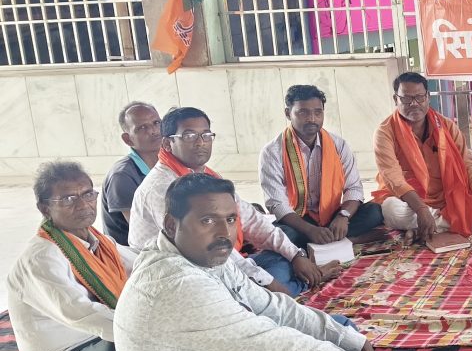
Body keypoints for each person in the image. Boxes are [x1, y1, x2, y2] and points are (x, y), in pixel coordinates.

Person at [115, 174, 427, 351]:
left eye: (230, 219)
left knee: (344, 332)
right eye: (207, 220)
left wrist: (352, 343)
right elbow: (273, 344)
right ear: (171, 225)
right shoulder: (174, 285)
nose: (224, 233)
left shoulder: (204, 255)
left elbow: (273, 307)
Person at [128, 107, 329, 297]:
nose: (200, 143)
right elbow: (210, 249)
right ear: (167, 144)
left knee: (283, 253)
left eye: (206, 135)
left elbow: (251, 219)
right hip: (182, 274)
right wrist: (270, 283)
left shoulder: (205, 176)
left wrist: (296, 256)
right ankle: (290, 288)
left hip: (220, 259)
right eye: (189, 136)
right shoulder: (161, 188)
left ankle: (278, 288)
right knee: (264, 280)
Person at [7, 161, 132, 351]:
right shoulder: (41, 258)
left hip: (99, 340)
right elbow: (84, 313)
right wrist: (152, 329)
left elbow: (142, 266)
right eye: (68, 199)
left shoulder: (99, 242)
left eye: (88, 194)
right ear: (44, 208)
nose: (83, 204)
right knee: (133, 345)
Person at [373, 72, 472, 242]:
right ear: (395, 99)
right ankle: (441, 223)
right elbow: (394, 179)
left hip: (447, 196)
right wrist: (421, 209)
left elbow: (468, 163)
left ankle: (425, 227)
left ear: (428, 97)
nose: (414, 103)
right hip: (409, 200)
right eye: (406, 98)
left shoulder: (446, 126)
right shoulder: (384, 132)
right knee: (391, 209)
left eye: (419, 97)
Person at [260, 85, 384, 250]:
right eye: (303, 112)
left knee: (374, 212)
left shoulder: (338, 145)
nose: (312, 119)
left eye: (318, 112)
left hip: (332, 216)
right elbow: (277, 204)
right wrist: (310, 230)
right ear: (288, 113)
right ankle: (348, 239)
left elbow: (354, 188)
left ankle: (320, 241)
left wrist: (343, 216)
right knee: (283, 234)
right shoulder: (272, 152)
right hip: (298, 219)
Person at [101, 102, 161, 246]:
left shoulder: (166, 165)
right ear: (127, 139)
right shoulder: (122, 176)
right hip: (133, 254)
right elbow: (143, 231)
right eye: (142, 128)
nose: (154, 131)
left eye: (156, 123)